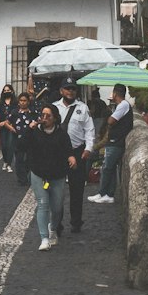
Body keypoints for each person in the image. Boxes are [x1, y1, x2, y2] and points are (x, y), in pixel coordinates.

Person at [25, 104, 73, 251]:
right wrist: (29, 130)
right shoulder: (35, 132)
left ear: (55, 118)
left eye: (48, 116)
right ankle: (44, 238)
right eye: (43, 115)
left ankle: (53, 228)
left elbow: (68, 149)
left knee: (57, 207)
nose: (44, 118)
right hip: (39, 173)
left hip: (57, 175)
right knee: (43, 205)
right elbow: (21, 145)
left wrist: (71, 157)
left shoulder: (61, 134)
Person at [53, 81, 95, 232]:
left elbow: (89, 130)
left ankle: (76, 222)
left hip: (78, 152)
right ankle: (57, 223)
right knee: (56, 191)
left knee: (77, 190)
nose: (70, 91)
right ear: (61, 91)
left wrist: (88, 148)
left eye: (73, 89)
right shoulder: (54, 108)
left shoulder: (82, 108)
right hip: (58, 153)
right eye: (67, 88)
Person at [89, 83, 133, 204]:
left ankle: (103, 193)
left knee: (107, 167)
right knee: (111, 168)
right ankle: (108, 194)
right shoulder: (121, 105)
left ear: (115, 93)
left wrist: (111, 114)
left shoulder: (123, 105)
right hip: (115, 140)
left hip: (116, 141)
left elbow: (111, 120)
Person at [10, 92, 39, 186]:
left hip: (31, 140)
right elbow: (6, 122)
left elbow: (39, 121)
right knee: (19, 160)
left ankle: (26, 174)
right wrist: (12, 129)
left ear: (28, 101)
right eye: (21, 101)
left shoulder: (33, 112)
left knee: (29, 160)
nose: (23, 102)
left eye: (25, 100)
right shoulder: (15, 112)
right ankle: (22, 179)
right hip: (18, 140)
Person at [0, 84, 18, 172]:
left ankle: (8, 164)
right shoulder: (1, 102)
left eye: (8, 90)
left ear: (12, 91)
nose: (6, 92)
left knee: (10, 145)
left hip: (11, 126)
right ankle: (5, 161)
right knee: (4, 145)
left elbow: (16, 113)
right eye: (5, 90)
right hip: (2, 127)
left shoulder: (15, 102)